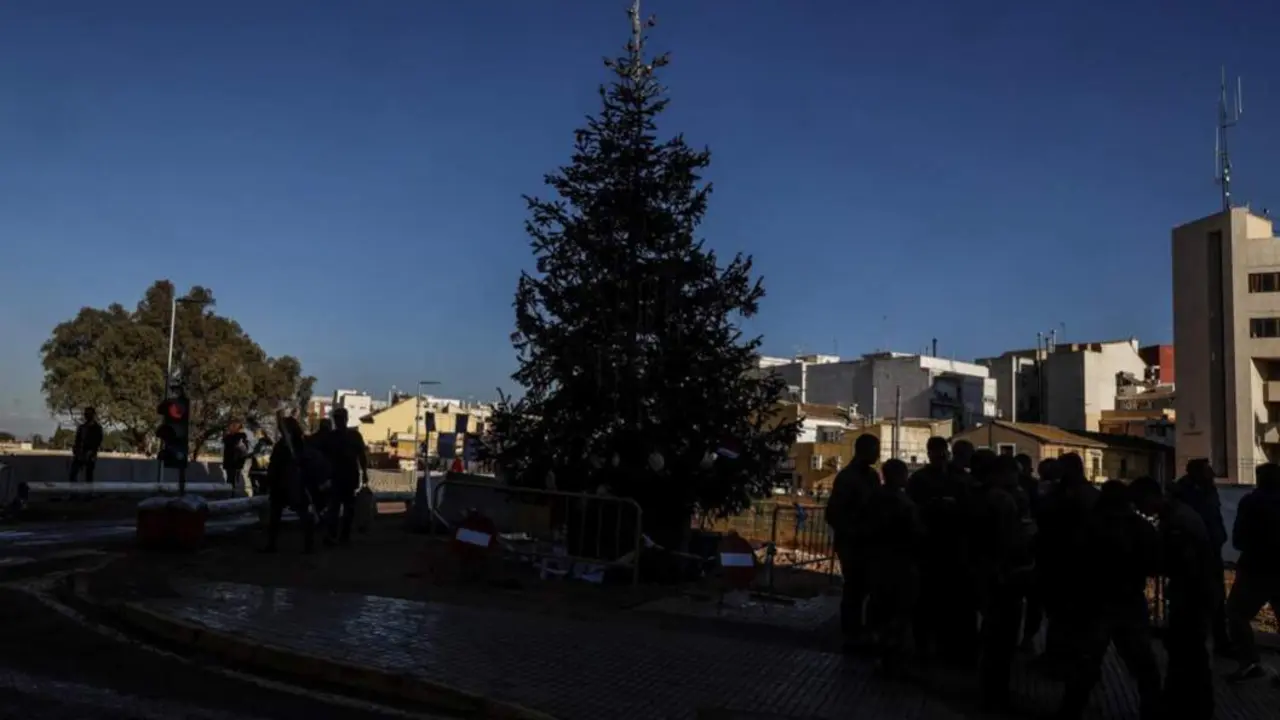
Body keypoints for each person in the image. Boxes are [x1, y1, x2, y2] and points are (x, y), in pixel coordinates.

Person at [1057, 480, 1162, 720]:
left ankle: (1069, 711)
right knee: (1143, 665)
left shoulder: (1089, 524)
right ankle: (1153, 711)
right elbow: (1155, 563)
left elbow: (1072, 561)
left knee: (1085, 662)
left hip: (1094, 601)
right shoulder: (1140, 527)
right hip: (1129, 601)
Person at [1132, 476, 1216, 720]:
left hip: (1192, 597)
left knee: (1188, 654)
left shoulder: (1178, 521)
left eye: (1140, 503)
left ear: (1151, 498)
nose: (1139, 509)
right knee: (1187, 653)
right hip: (1193, 594)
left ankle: (1192, 709)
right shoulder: (1178, 515)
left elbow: (1182, 563)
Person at [972, 454, 1029, 711]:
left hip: (989, 573)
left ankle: (989, 689)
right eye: (1013, 473)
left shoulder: (980, 496)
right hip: (1004, 576)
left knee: (994, 636)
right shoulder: (1002, 500)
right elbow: (1010, 539)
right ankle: (995, 693)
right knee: (1002, 639)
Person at [1033, 452, 1099, 677]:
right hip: (1082, 566)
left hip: (1064, 564)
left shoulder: (1064, 495)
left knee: (1061, 617)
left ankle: (1061, 660)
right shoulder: (1091, 494)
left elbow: (1045, 518)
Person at [908, 436, 973, 662]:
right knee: (926, 599)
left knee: (948, 600)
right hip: (929, 545)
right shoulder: (920, 479)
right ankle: (924, 644)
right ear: (929, 453)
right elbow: (912, 509)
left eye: (943, 452)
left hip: (952, 545)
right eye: (936, 452)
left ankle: (944, 644)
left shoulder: (958, 478)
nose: (941, 456)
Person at [864, 458, 924, 676]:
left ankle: (880, 651)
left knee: (880, 608)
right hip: (901, 563)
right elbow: (915, 533)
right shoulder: (902, 502)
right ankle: (894, 658)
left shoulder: (874, 498)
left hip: (879, 561)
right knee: (900, 612)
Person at [1224, 462, 1280, 684]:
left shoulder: (1251, 502)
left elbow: (1239, 539)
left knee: (1236, 614)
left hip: (1255, 569)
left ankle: (1250, 662)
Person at [827, 432, 882, 652]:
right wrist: (853, 531)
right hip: (853, 543)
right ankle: (851, 633)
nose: (877, 455)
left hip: (868, 542)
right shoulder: (848, 478)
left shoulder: (871, 477)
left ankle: (863, 632)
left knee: (866, 589)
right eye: (875, 450)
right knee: (854, 590)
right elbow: (834, 513)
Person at [1173, 458, 1232, 656]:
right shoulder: (1185, 493)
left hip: (1211, 552)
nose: (1212, 474)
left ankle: (1220, 641)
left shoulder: (1206, 491)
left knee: (1215, 599)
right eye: (1208, 470)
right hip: (1195, 555)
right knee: (1201, 599)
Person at [263, 415, 319, 554]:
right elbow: (274, 465)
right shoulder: (282, 445)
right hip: (280, 484)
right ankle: (272, 544)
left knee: (303, 514)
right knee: (275, 515)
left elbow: (306, 463)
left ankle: (309, 544)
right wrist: (271, 481)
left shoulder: (300, 445)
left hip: (295, 484)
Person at [321, 407, 370, 546]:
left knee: (346, 508)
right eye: (336, 419)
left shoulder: (353, 436)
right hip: (337, 476)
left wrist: (364, 472)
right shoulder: (332, 437)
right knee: (335, 508)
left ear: (345, 419)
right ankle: (334, 535)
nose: (338, 421)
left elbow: (361, 455)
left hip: (348, 476)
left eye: (340, 418)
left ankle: (343, 535)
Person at [69, 407, 103, 483]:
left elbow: (98, 442)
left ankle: (89, 494)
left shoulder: (97, 428)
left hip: (90, 455)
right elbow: (77, 441)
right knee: (73, 473)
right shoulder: (82, 427)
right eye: (86, 414)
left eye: (89, 413)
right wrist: (76, 451)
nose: (87, 415)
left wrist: (91, 452)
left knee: (89, 475)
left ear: (93, 415)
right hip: (80, 454)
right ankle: (73, 493)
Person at [221, 422, 251, 490]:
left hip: (233, 461)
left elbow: (234, 446)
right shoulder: (240, 437)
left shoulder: (236, 437)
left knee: (231, 479)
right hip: (235, 461)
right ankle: (231, 493)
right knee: (232, 479)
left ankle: (231, 493)